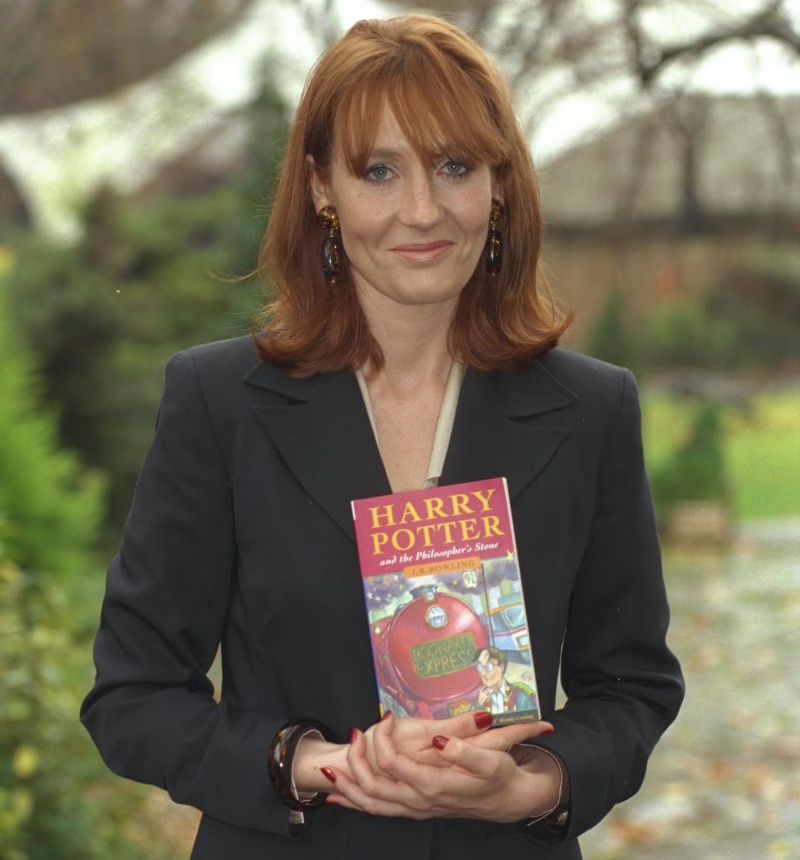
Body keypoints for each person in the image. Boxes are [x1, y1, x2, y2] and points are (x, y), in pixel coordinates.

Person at [81, 14, 684, 860]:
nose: (422, 210)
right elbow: (133, 697)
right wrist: (316, 766)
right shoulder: (219, 404)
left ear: (500, 184)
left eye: (454, 166)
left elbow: (632, 685)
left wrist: (533, 787)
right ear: (321, 186)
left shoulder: (591, 410)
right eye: (379, 171)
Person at [474, 647, 538, 715]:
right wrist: (478, 704)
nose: (483, 673)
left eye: (489, 667)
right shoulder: (481, 698)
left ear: (501, 667)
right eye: (479, 667)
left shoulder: (520, 697)